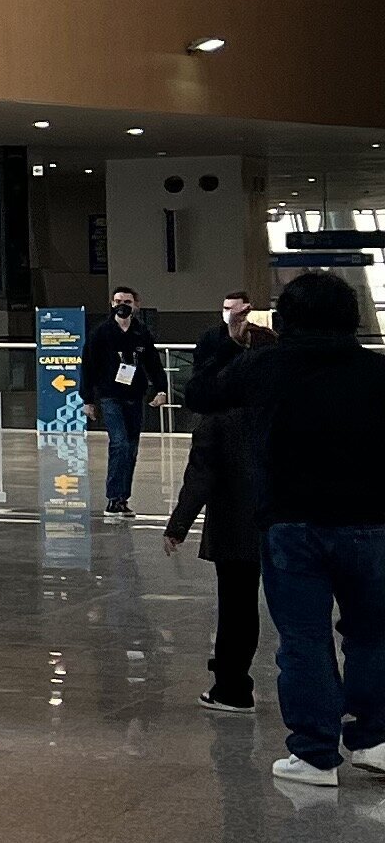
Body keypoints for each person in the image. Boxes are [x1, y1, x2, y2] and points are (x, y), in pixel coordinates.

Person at [186, 272, 385, 783]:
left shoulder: (265, 366)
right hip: (371, 524)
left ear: (286, 318)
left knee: (304, 639)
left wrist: (229, 343)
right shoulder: (377, 371)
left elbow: (201, 394)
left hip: (291, 524)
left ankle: (315, 755)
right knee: (372, 635)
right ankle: (375, 739)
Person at [164, 354, 262, 710]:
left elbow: (200, 479)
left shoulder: (217, 423)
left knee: (237, 607)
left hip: (236, 528)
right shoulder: (279, 412)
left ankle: (232, 687)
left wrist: (178, 525)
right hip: (286, 522)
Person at [90, 285, 160, 516]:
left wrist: (161, 388)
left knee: (131, 448)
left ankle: (122, 498)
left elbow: (153, 362)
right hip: (110, 396)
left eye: (127, 302)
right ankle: (113, 497)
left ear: (135, 305)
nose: (122, 306)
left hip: (134, 396)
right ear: (112, 304)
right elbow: (88, 365)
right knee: (119, 443)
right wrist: (87, 399)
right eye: (118, 301)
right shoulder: (101, 333)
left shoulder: (141, 332)